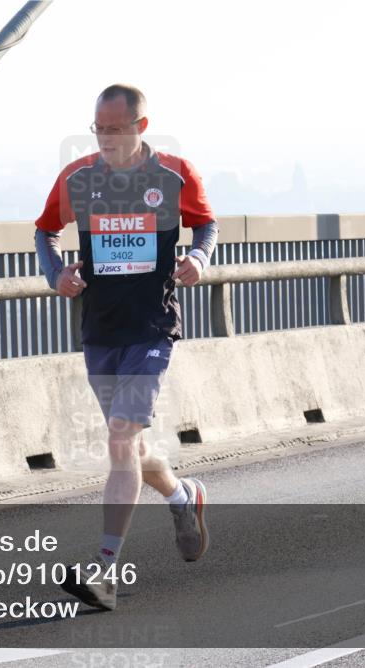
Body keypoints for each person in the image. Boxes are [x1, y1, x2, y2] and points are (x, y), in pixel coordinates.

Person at [33, 84, 219, 611]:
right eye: (99, 128)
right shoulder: (78, 178)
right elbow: (44, 232)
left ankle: (105, 570)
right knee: (131, 447)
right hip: (100, 329)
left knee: (119, 437)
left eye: (116, 128)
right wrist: (56, 275)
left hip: (152, 327)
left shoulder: (173, 174)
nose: (107, 138)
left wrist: (199, 259)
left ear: (141, 126)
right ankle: (184, 497)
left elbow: (207, 224)